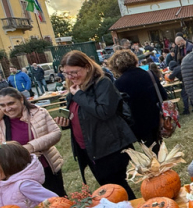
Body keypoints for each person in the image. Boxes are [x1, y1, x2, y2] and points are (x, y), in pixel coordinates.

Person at [54, 50, 138, 198]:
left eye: (74, 72)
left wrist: (79, 95)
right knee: (107, 189)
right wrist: (66, 121)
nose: (70, 77)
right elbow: (81, 115)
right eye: (66, 73)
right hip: (90, 149)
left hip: (109, 148)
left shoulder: (102, 83)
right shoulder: (75, 88)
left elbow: (104, 112)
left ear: (87, 66)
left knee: (117, 188)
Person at [0, 87, 66, 197]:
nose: (7, 109)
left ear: (21, 100)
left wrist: (30, 147)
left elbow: (56, 133)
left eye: (11, 103)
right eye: (2, 105)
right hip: (17, 173)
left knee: (57, 199)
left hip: (45, 166)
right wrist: (17, 151)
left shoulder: (39, 113)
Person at [109, 49, 167, 149]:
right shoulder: (149, 74)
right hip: (154, 117)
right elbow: (163, 95)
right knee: (158, 147)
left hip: (136, 123)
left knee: (149, 150)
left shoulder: (118, 83)